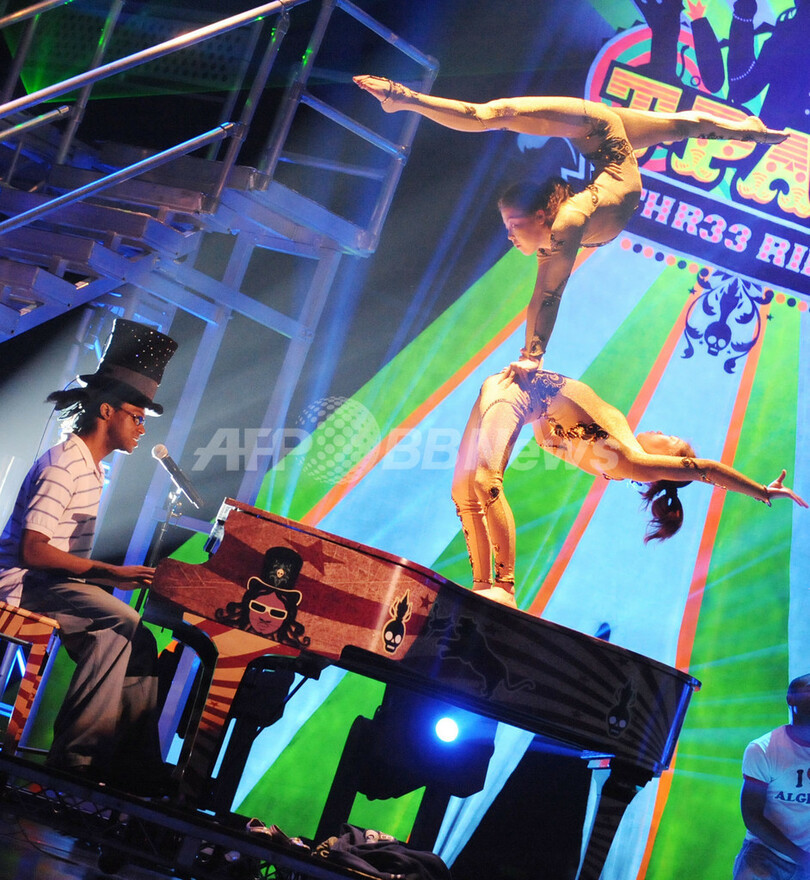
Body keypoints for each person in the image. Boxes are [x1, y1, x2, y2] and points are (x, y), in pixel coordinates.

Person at [354, 76, 787, 375]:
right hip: (607, 148)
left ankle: (402, 97)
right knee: (679, 126)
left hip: (596, 130)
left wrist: (532, 356)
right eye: (509, 226)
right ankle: (747, 131)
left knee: (495, 113)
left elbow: (546, 293)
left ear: (542, 215)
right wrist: (533, 356)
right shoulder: (565, 225)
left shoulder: (569, 221)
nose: (508, 235)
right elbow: (547, 293)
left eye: (512, 224)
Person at [0, 318, 178, 796]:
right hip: (21, 583)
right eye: (136, 416)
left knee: (133, 640)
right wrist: (108, 572)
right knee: (121, 622)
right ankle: (76, 759)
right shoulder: (65, 464)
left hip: (50, 583)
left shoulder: (91, 468)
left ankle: (130, 762)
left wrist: (104, 577)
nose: (142, 428)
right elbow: (33, 550)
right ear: (106, 410)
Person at [451, 368, 806, 606]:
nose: (662, 430)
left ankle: (504, 587)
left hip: (513, 394)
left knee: (484, 482)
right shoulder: (614, 460)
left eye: (670, 439)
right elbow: (547, 437)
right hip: (505, 388)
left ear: (666, 465)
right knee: (464, 491)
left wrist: (761, 490)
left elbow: (707, 469)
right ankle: (483, 585)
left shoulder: (634, 461)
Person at [732, 674, 810, 880]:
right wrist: (802, 858)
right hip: (765, 856)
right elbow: (752, 817)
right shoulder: (763, 749)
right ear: (791, 699)